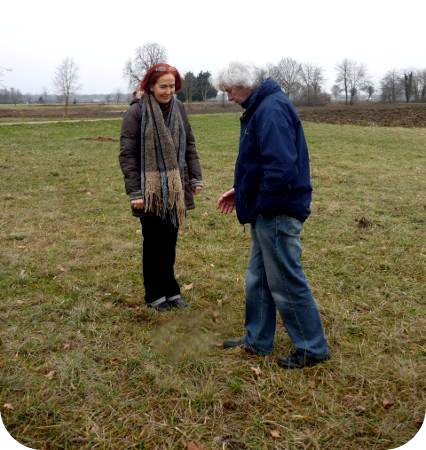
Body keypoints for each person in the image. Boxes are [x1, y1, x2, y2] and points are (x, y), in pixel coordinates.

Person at [216, 62, 329, 369]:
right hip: (267, 208)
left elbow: (280, 170)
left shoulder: (271, 110)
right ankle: (257, 340)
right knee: (259, 279)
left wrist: (262, 204)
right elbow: (260, 165)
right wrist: (241, 191)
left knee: (285, 280)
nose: (228, 97)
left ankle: (312, 347)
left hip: (277, 210)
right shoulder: (262, 106)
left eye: (228, 91)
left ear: (244, 84)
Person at [119, 63, 203, 311]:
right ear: (150, 86)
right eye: (163, 86)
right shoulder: (136, 113)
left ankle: (171, 290)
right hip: (149, 190)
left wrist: (195, 178)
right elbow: (127, 155)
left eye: (172, 86)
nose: (168, 91)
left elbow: (189, 144)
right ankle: (154, 294)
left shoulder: (179, 109)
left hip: (176, 187)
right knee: (153, 242)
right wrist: (135, 192)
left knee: (170, 241)